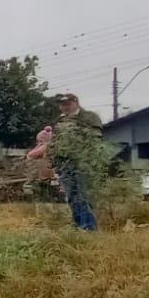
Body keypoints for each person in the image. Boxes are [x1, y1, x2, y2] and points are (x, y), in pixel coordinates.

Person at [49, 93, 104, 231]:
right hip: (64, 164)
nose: (64, 107)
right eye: (62, 104)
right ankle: (78, 225)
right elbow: (54, 142)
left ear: (76, 102)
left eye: (67, 104)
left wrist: (88, 159)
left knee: (83, 195)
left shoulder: (89, 117)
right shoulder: (59, 121)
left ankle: (89, 228)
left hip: (83, 162)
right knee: (71, 197)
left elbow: (95, 140)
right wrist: (54, 161)